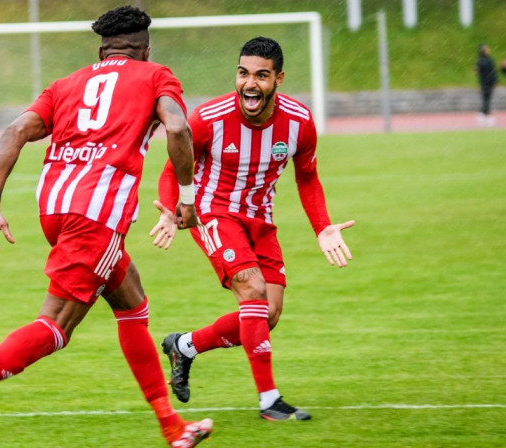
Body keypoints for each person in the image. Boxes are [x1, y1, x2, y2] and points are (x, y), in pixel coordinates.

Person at [0, 6, 213, 448]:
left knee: (131, 299)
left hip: (55, 209)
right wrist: (186, 199)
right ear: (146, 49)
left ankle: (172, 426)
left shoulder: (67, 84)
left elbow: (15, 131)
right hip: (96, 217)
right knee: (56, 327)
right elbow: (177, 127)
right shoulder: (155, 75)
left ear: (102, 50)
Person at [150, 37, 355, 421]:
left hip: (260, 219)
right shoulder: (209, 118)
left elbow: (308, 178)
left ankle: (185, 346)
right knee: (254, 291)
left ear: (278, 78)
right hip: (213, 212)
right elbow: (172, 167)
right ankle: (269, 401)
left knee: (268, 313)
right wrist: (169, 209)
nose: (250, 83)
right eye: (243, 73)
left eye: (261, 76)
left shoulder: (299, 122)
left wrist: (323, 228)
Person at [474, 44, 498, 126]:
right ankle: (485, 115)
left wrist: (495, 81)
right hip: (485, 82)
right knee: (486, 98)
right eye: (486, 49)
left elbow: (493, 71)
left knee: (486, 98)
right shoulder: (482, 60)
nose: (487, 50)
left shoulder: (486, 60)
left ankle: (483, 114)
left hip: (488, 82)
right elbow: (478, 71)